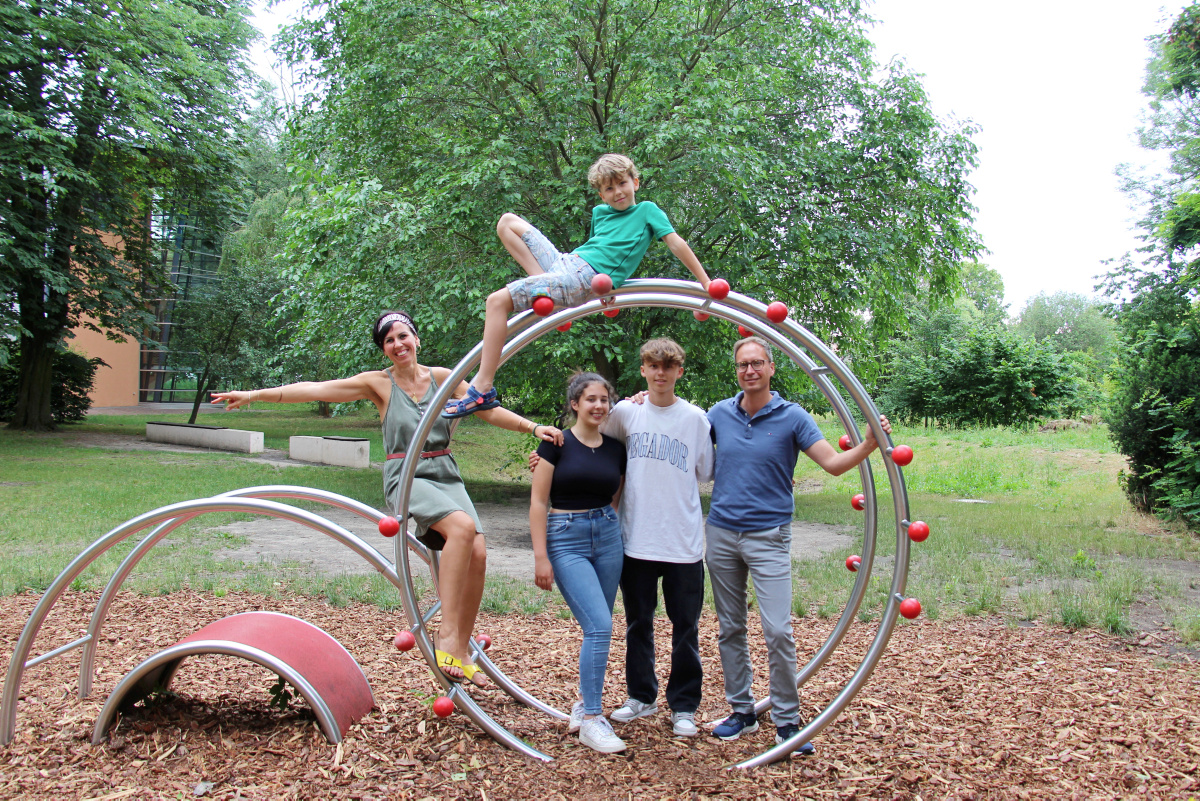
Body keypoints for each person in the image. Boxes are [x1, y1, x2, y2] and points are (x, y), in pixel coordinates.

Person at [211, 310, 562, 687]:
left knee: (478, 551)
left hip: (445, 470)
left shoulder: (443, 379)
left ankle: (461, 647)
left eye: (403, 336)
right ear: (384, 350)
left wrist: (531, 427)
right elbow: (315, 389)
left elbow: (487, 410)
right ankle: (446, 632)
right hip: (407, 474)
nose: (398, 345)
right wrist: (254, 395)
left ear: (416, 339)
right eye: (389, 341)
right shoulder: (379, 384)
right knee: (460, 529)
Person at [705, 336, 891, 752]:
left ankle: (788, 721)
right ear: (735, 371)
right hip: (720, 533)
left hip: (768, 535)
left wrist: (868, 445)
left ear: (771, 367)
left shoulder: (792, 417)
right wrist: (644, 400)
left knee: (777, 630)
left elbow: (833, 463)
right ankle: (742, 711)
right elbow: (679, 437)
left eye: (757, 363)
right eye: (742, 365)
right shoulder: (719, 413)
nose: (749, 371)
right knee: (730, 627)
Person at [442, 153, 713, 418]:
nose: (618, 192)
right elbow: (600, 248)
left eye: (622, 183)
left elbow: (675, 243)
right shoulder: (600, 213)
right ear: (601, 195)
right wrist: (603, 290)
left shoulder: (646, 211)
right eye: (609, 188)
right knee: (507, 222)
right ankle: (543, 289)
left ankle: (483, 387)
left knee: (496, 301)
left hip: (579, 278)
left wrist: (705, 282)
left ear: (636, 182)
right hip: (566, 263)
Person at [600, 339, 714, 738]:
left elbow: (703, 473)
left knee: (686, 627)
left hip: (682, 541)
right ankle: (641, 696)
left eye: (668, 367)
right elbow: (592, 438)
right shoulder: (625, 413)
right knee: (638, 624)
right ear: (644, 370)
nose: (660, 373)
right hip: (637, 539)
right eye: (653, 366)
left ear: (679, 372)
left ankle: (684, 705)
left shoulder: (696, 419)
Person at [529, 372, 628, 753]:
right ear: (575, 404)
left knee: (597, 628)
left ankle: (584, 704)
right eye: (591, 399)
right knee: (601, 626)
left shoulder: (616, 448)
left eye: (604, 399)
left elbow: (615, 496)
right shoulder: (554, 442)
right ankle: (591, 719)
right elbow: (539, 502)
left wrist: (606, 526)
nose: (599, 406)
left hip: (606, 536)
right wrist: (541, 556)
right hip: (565, 536)